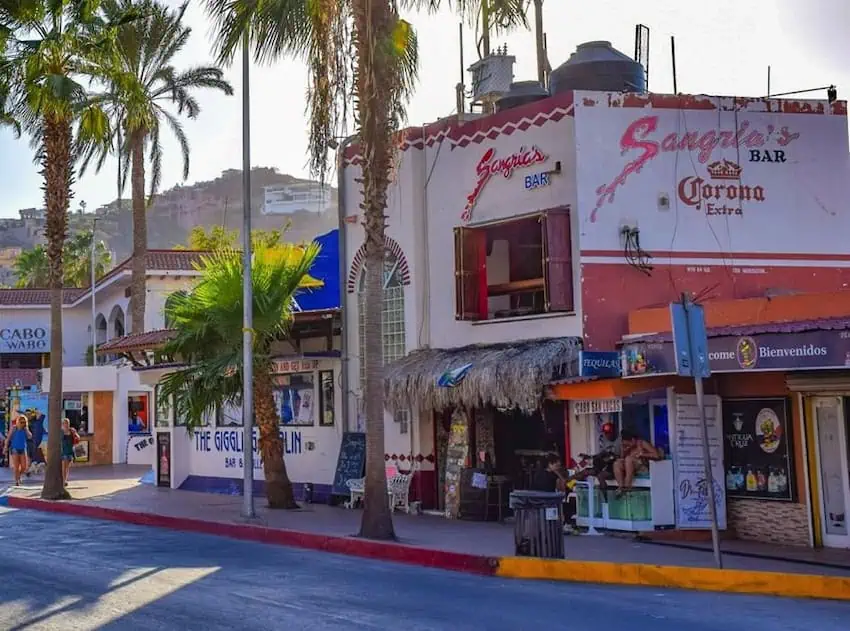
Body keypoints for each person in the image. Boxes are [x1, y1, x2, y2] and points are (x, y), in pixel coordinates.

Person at [613, 429, 663, 496]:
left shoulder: (642, 443)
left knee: (628, 459)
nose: (626, 445)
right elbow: (622, 458)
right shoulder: (626, 447)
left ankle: (627, 487)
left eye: (628, 443)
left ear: (633, 440)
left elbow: (656, 455)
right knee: (617, 463)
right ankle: (621, 487)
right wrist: (624, 451)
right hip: (630, 467)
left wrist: (642, 454)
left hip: (642, 468)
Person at [4, 416, 32, 485]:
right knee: (16, 467)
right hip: (15, 449)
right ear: (18, 422)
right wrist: (5, 447)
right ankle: (17, 481)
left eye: (24, 422)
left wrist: (26, 429)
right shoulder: (14, 428)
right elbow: (8, 438)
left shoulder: (25, 429)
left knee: (24, 467)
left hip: (23, 449)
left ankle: (18, 476)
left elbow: (30, 436)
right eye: (21, 422)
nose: (23, 424)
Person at [60, 418, 79, 486]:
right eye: (64, 423)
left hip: (70, 450)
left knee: (67, 467)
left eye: (67, 423)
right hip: (63, 450)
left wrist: (75, 434)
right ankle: (63, 480)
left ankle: (65, 479)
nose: (66, 424)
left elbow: (77, 438)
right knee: (63, 466)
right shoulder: (61, 431)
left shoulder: (71, 431)